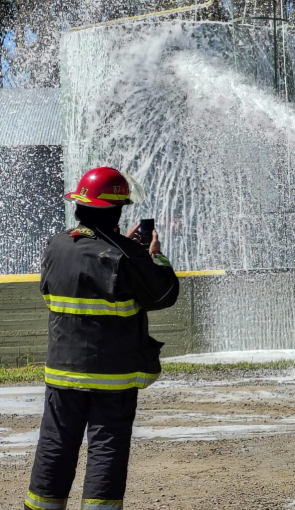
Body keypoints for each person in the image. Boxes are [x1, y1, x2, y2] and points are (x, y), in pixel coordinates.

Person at [24, 167, 180, 510]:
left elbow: (54, 290)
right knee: (107, 445)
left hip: (62, 371)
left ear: (80, 206)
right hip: (113, 373)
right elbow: (164, 294)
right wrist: (153, 256)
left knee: (55, 442)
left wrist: (118, 242)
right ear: (117, 209)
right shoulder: (128, 255)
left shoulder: (56, 247)